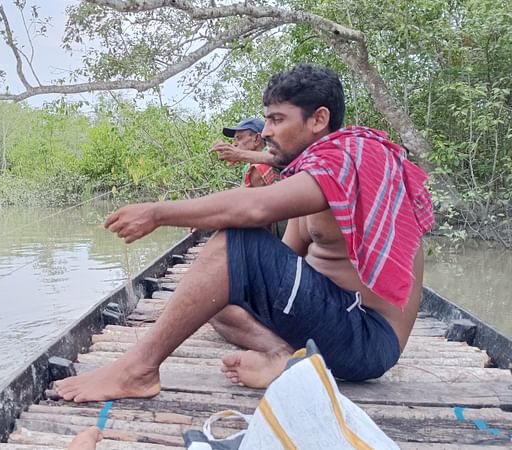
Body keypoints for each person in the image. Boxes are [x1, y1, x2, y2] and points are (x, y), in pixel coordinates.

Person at [54, 64, 434, 403]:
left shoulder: (353, 159)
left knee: (236, 239)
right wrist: (229, 280)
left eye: (277, 120)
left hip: (367, 339)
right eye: (266, 120)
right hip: (331, 323)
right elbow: (276, 264)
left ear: (318, 119)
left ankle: (138, 370)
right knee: (209, 298)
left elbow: (255, 209)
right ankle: (282, 354)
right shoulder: (312, 174)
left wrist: (157, 212)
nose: (266, 131)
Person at [211, 117, 277, 188]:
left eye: (239, 138)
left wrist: (238, 154)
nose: (234, 144)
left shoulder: (273, 153)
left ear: (256, 139)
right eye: (235, 139)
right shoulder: (247, 167)